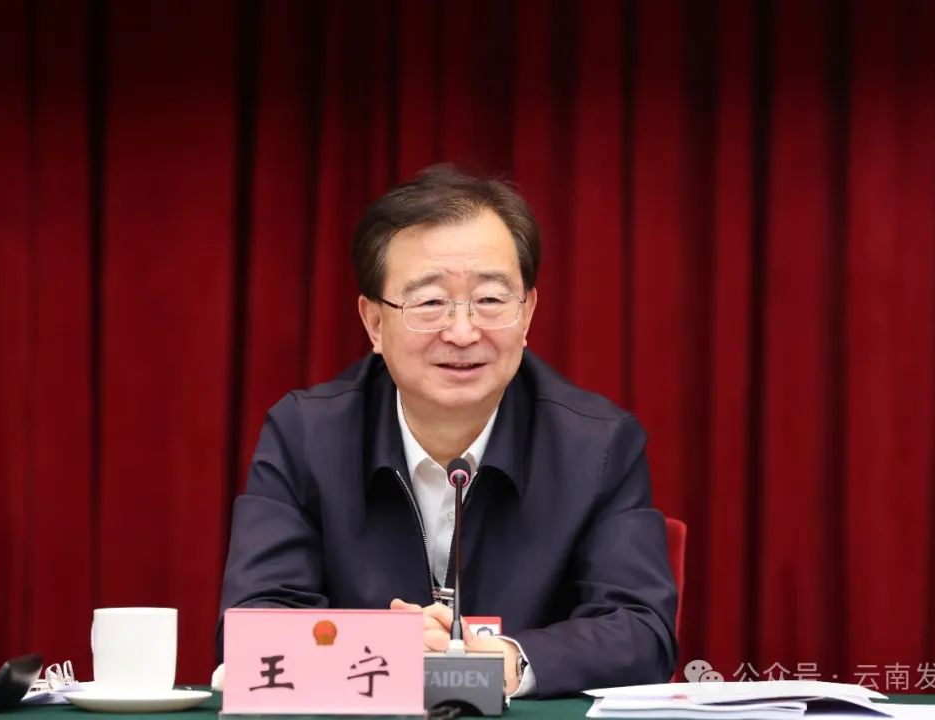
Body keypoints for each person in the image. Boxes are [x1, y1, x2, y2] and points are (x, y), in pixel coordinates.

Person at [218, 165, 677, 697]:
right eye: (431, 302)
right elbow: (251, 629)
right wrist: (383, 649)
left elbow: (641, 631)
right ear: (374, 323)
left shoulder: (597, 446)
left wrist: (510, 661)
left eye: (491, 300)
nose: (462, 332)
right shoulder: (306, 436)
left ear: (527, 313)